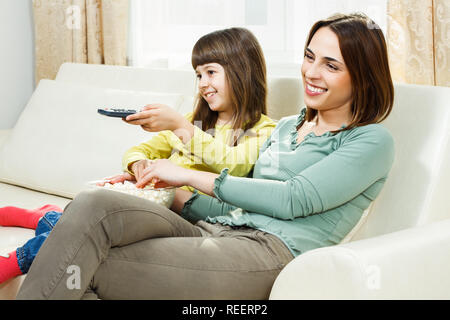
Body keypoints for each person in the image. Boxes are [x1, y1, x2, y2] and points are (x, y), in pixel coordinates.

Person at [16, 12, 395, 299]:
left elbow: (292, 199)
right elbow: (244, 208)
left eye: (331, 65)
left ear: (362, 76)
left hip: (268, 254)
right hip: (221, 229)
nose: (311, 72)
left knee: (80, 260)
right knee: (94, 204)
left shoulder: (370, 141)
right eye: (310, 57)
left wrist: (190, 176)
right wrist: (167, 189)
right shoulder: (288, 127)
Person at [0, 27, 275, 285]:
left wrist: (181, 126)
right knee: (89, 221)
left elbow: (235, 168)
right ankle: (39, 229)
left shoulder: (264, 130)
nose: (203, 83)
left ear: (242, 71)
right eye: (198, 75)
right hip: (156, 205)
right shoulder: (198, 120)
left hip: (189, 218)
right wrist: (139, 165)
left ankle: (41, 225)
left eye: (211, 72)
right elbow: (138, 151)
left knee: (90, 230)